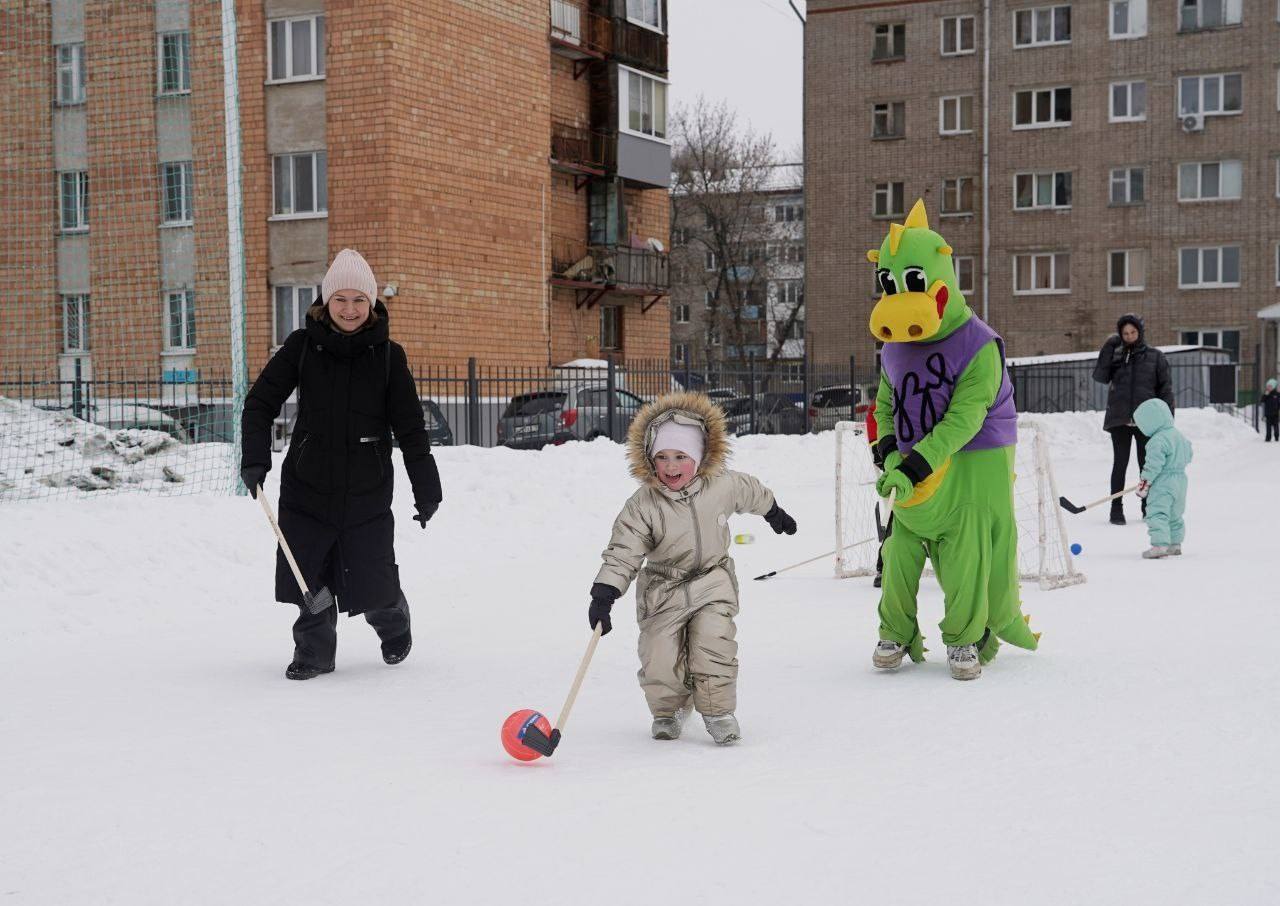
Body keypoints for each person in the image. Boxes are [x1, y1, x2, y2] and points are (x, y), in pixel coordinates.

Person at [240, 249, 442, 680]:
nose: (349, 310)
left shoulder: (388, 356)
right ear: (325, 301)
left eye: (358, 301)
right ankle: (314, 652)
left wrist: (427, 488)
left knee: (373, 582)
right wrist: (255, 459)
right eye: (340, 300)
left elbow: (411, 430)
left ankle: (393, 617)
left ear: (370, 304)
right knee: (308, 574)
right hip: (307, 486)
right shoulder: (302, 347)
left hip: (365, 490)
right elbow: (259, 403)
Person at [867, 200, 1038, 682]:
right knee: (900, 548)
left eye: (913, 282)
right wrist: (886, 452)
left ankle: (968, 635)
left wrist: (916, 462)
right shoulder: (895, 345)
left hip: (976, 454)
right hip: (914, 460)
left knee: (968, 544)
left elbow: (966, 416)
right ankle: (894, 630)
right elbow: (884, 401)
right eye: (889, 284)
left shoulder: (980, 343)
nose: (899, 296)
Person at [587, 391, 797, 745]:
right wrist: (604, 592)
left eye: (681, 456)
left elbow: (751, 491)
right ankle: (668, 710)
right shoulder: (643, 504)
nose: (671, 467)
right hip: (662, 588)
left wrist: (774, 512)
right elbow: (624, 549)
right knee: (659, 655)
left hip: (713, 580)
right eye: (663, 457)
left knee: (713, 643)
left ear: (698, 457)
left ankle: (718, 712)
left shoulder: (722, 485)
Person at [1092, 314, 1173, 525]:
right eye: (1125, 333)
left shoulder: (1155, 357)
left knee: (1146, 465)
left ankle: (1148, 507)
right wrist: (1109, 348)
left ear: (1140, 332)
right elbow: (1100, 376)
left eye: (1133, 332)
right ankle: (1116, 509)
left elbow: (1165, 391)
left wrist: (1168, 421)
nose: (1129, 336)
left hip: (1147, 421)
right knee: (1120, 463)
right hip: (1119, 419)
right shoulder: (1117, 357)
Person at [1133, 398, 1192, 560]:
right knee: (1175, 513)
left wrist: (1144, 484)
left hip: (1163, 482)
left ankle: (1159, 546)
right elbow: (1189, 454)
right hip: (1180, 480)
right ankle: (1175, 544)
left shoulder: (1157, 441)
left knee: (1157, 512)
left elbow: (1153, 465)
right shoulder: (1178, 435)